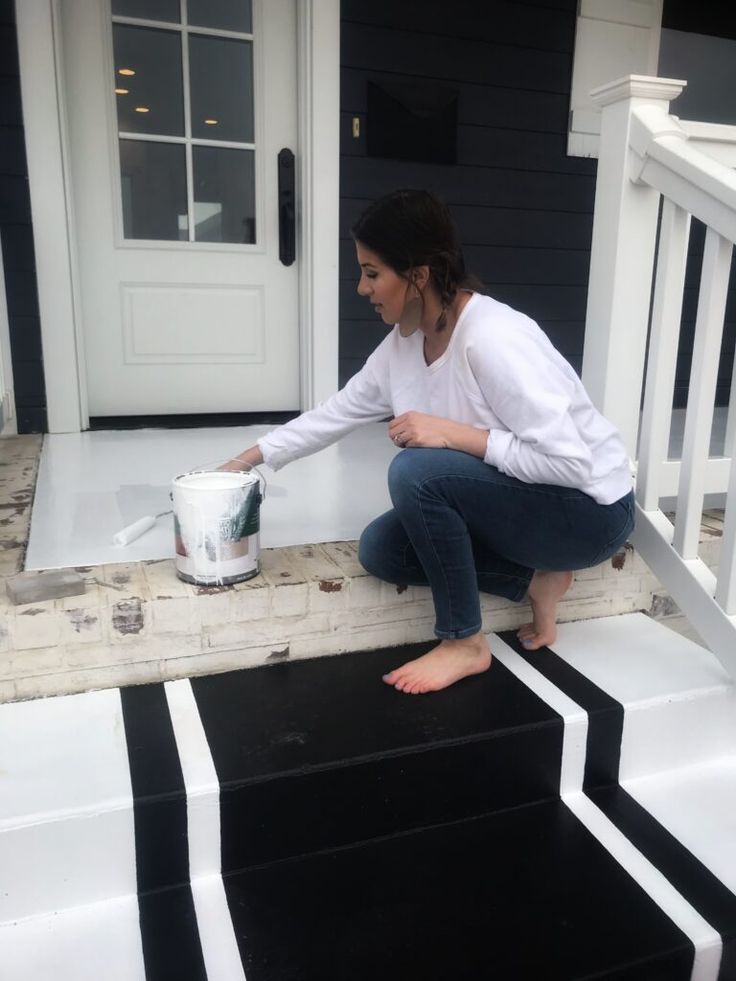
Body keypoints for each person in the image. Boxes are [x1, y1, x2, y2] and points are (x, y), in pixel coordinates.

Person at [222, 189, 635, 696]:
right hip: (526, 502)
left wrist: (456, 435)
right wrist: (245, 461)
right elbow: (336, 414)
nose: (361, 288)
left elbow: (571, 464)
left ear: (418, 276)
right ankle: (534, 581)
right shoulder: (403, 344)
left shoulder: (494, 340)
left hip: (589, 514)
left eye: (372, 273)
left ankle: (464, 642)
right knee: (382, 548)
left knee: (417, 473)